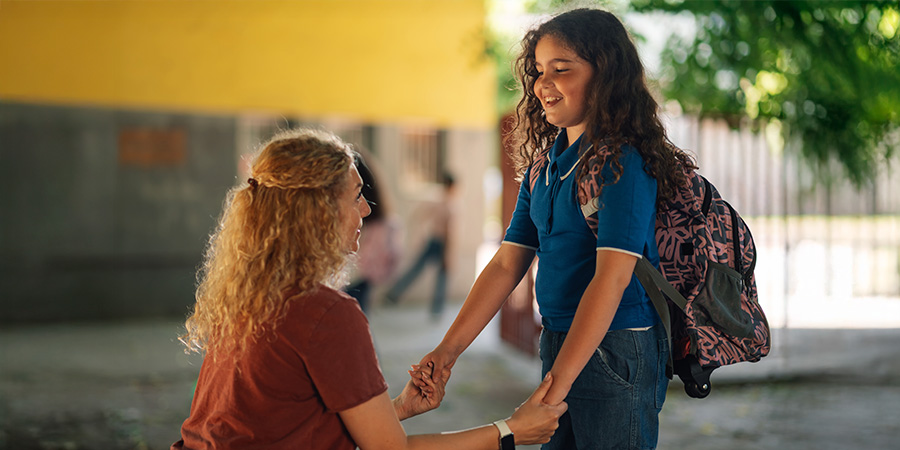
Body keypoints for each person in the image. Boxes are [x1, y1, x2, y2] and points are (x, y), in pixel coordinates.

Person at [171, 128, 567, 450]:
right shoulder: (326, 313)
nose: (366, 210)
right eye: (357, 196)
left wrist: (397, 409)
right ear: (318, 211)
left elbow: (290, 425)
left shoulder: (248, 296)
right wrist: (509, 431)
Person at [415, 8, 698, 449]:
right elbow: (508, 264)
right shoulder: (542, 170)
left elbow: (613, 277)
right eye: (538, 71)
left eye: (560, 70)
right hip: (558, 342)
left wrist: (554, 388)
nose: (543, 84)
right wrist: (446, 352)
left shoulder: (623, 162)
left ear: (604, 74)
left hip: (617, 347)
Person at [385, 172, 456, 320]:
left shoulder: (438, 201)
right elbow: (450, 232)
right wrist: (449, 254)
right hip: (440, 242)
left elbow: (419, 216)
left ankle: (395, 293)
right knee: (439, 276)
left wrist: (422, 234)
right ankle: (436, 309)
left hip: (434, 240)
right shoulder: (448, 204)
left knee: (417, 270)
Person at [345, 153, 402, 313]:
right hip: (361, 279)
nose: (365, 208)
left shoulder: (370, 221)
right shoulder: (380, 219)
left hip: (355, 280)